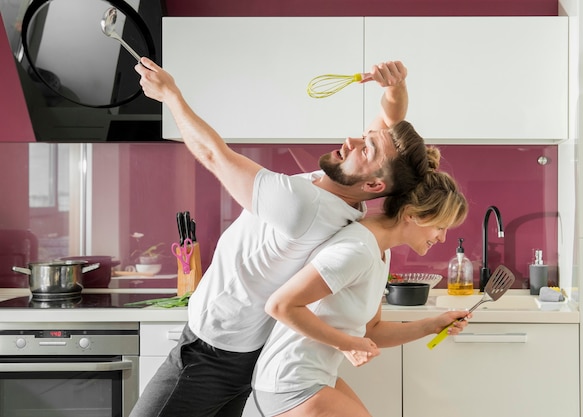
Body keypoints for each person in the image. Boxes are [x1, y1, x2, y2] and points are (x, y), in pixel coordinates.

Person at [131, 57, 429, 417]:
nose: (351, 140)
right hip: (248, 352)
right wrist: (395, 90)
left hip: (209, 351)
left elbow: (212, 154)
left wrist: (171, 96)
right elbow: (387, 130)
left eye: (365, 148)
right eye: (363, 138)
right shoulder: (349, 202)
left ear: (373, 185)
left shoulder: (300, 204)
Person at [252, 147, 470, 417]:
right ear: (412, 214)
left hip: (312, 377)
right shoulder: (357, 249)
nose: (442, 238)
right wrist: (345, 343)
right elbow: (280, 306)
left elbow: (371, 330)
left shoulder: (380, 251)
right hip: (288, 382)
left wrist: (431, 325)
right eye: (440, 226)